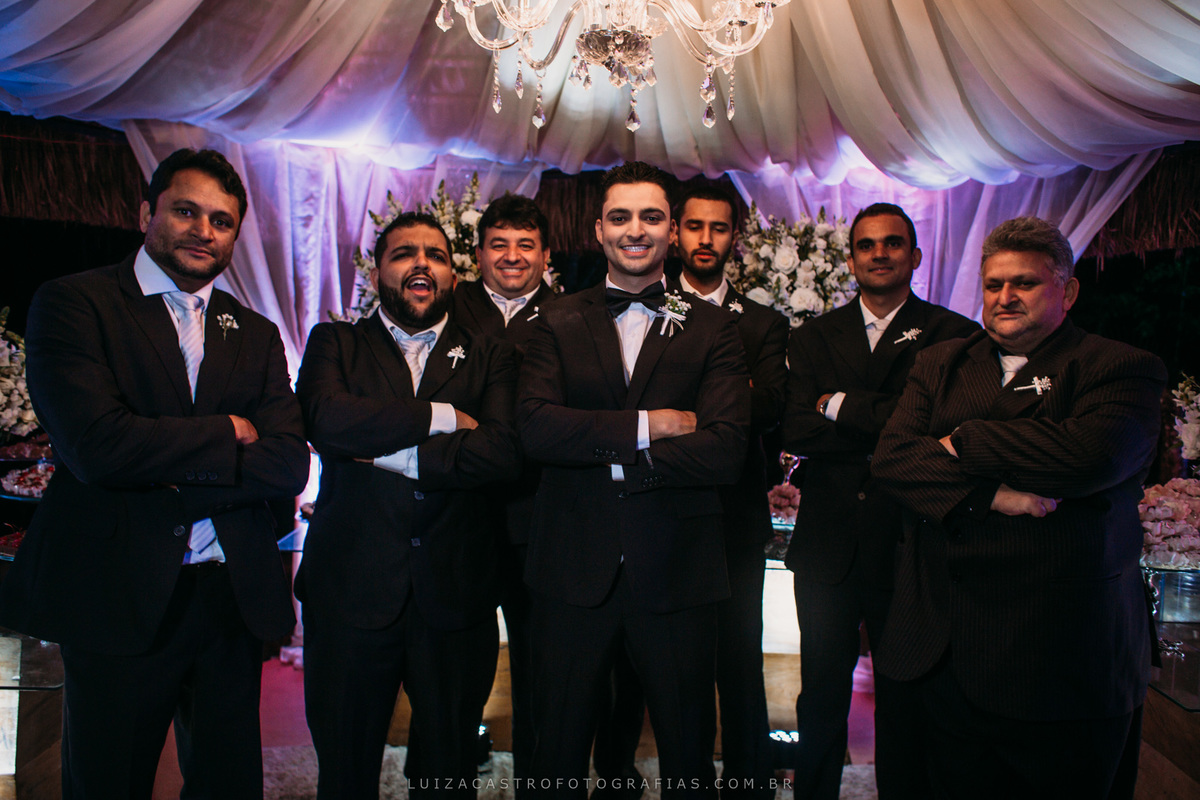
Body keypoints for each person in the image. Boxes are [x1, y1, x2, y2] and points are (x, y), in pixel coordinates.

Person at [0, 148, 310, 798]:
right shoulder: (75, 303)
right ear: (147, 213)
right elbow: (97, 447)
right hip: (116, 588)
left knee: (228, 787)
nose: (204, 230)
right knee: (108, 784)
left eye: (222, 221)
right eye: (186, 212)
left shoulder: (254, 333)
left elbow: (288, 463)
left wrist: (161, 458)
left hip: (230, 596)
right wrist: (228, 431)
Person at [871, 216, 1166, 799]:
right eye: (993, 284)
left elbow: (1089, 457)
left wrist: (964, 440)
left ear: (1067, 291)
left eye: (1024, 283)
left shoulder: (1121, 366)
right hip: (943, 652)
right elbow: (893, 460)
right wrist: (988, 494)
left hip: (1060, 664)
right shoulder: (941, 362)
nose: (1005, 297)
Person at [517, 161, 750, 797]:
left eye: (651, 217)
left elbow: (726, 450)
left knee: (688, 757)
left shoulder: (716, 327)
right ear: (598, 229)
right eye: (620, 217)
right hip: (570, 566)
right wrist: (652, 427)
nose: (635, 230)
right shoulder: (556, 320)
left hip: (678, 567)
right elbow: (535, 429)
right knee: (555, 755)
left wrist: (596, 445)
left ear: (672, 230)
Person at [296, 212, 520, 799]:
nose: (422, 263)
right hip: (348, 592)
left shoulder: (492, 353)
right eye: (403, 254)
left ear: (453, 276)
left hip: (457, 596)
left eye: (436, 255)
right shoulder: (335, 343)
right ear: (377, 274)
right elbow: (326, 421)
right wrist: (444, 418)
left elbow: (499, 452)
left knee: (447, 777)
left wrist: (384, 452)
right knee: (344, 776)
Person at [783, 202, 978, 800]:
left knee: (906, 696)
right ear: (850, 260)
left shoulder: (953, 334)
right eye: (866, 245)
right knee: (820, 692)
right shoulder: (813, 336)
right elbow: (795, 427)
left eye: (892, 243)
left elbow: (944, 425)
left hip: (911, 541)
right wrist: (897, 426)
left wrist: (836, 404)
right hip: (828, 544)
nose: (879, 254)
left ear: (915, 256)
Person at [674, 186, 788, 797]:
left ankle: (749, 784)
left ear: (734, 239)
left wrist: (684, 398)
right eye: (695, 226)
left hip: (734, 517)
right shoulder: (643, 310)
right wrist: (728, 391)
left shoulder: (764, 323)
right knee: (670, 667)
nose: (705, 239)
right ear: (676, 233)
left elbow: (768, 407)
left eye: (718, 228)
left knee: (740, 660)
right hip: (660, 511)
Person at [452, 192, 558, 786]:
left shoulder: (571, 315)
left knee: (540, 669)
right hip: (456, 513)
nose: (512, 256)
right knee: (451, 673)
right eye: (499, 244)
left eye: (525, 245)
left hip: (539, 519)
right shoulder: (448, 305)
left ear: (545, 255)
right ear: (478, 253)